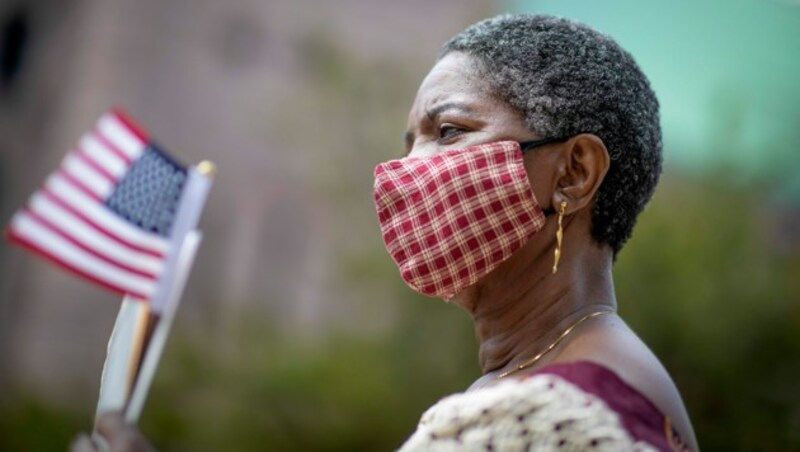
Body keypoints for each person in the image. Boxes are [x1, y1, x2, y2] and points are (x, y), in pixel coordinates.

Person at [73, 13, 697, 451]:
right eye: (408, 143)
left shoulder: (554, 414)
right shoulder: (561, 378)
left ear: (574, 174)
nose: (403, 172)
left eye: (448, 131)